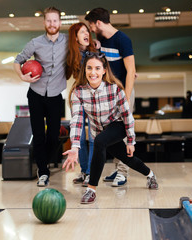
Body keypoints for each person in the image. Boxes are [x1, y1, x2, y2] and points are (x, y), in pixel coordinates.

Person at [62, 52, 158, 204]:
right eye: (89, 68)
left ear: (104, 70)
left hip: (118, 126)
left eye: (97, 68)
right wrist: (75, 146)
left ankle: (91, 189)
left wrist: (131, 141)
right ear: (84, 70)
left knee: (100, 141)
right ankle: (150, 174)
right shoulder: (78, 92)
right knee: (127, 159)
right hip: (100, 131)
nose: (93, 72)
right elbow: (77, 120)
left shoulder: (115, 89)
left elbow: (127, 116)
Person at [13, 7, 68, 187]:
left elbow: (85, 44)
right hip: (35, 94)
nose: (52, 24)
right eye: (49, 20)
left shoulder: (68, 42)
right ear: (44, 22)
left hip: (55, 95)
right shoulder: (35, 43)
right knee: (38, 134)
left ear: (60, 22)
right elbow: (17, 60)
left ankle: (42, 161)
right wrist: (22, 76)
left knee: (53, 136)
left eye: (55, 20)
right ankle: (43, 172)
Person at [85, 7, 136, 187]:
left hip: (122, 93)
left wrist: (126, 98)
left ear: (98, 23)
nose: (90, 29)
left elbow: (131, 70)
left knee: (123, 133)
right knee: (111, 134)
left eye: (91, 26)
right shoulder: (100, 40)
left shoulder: (123, 39)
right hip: (107, 94)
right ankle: (118, 167)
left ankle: (123, 172)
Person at [66, 22, 97, 187]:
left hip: (94, 98)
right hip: (78, 97)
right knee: (78, 137)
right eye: (82, 32)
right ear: (75, 37)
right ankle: (85, 171)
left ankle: (91, 172)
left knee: (93, 137)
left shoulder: (95, 53)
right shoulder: (72, 54)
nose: (86, 34)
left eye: (87, 31)